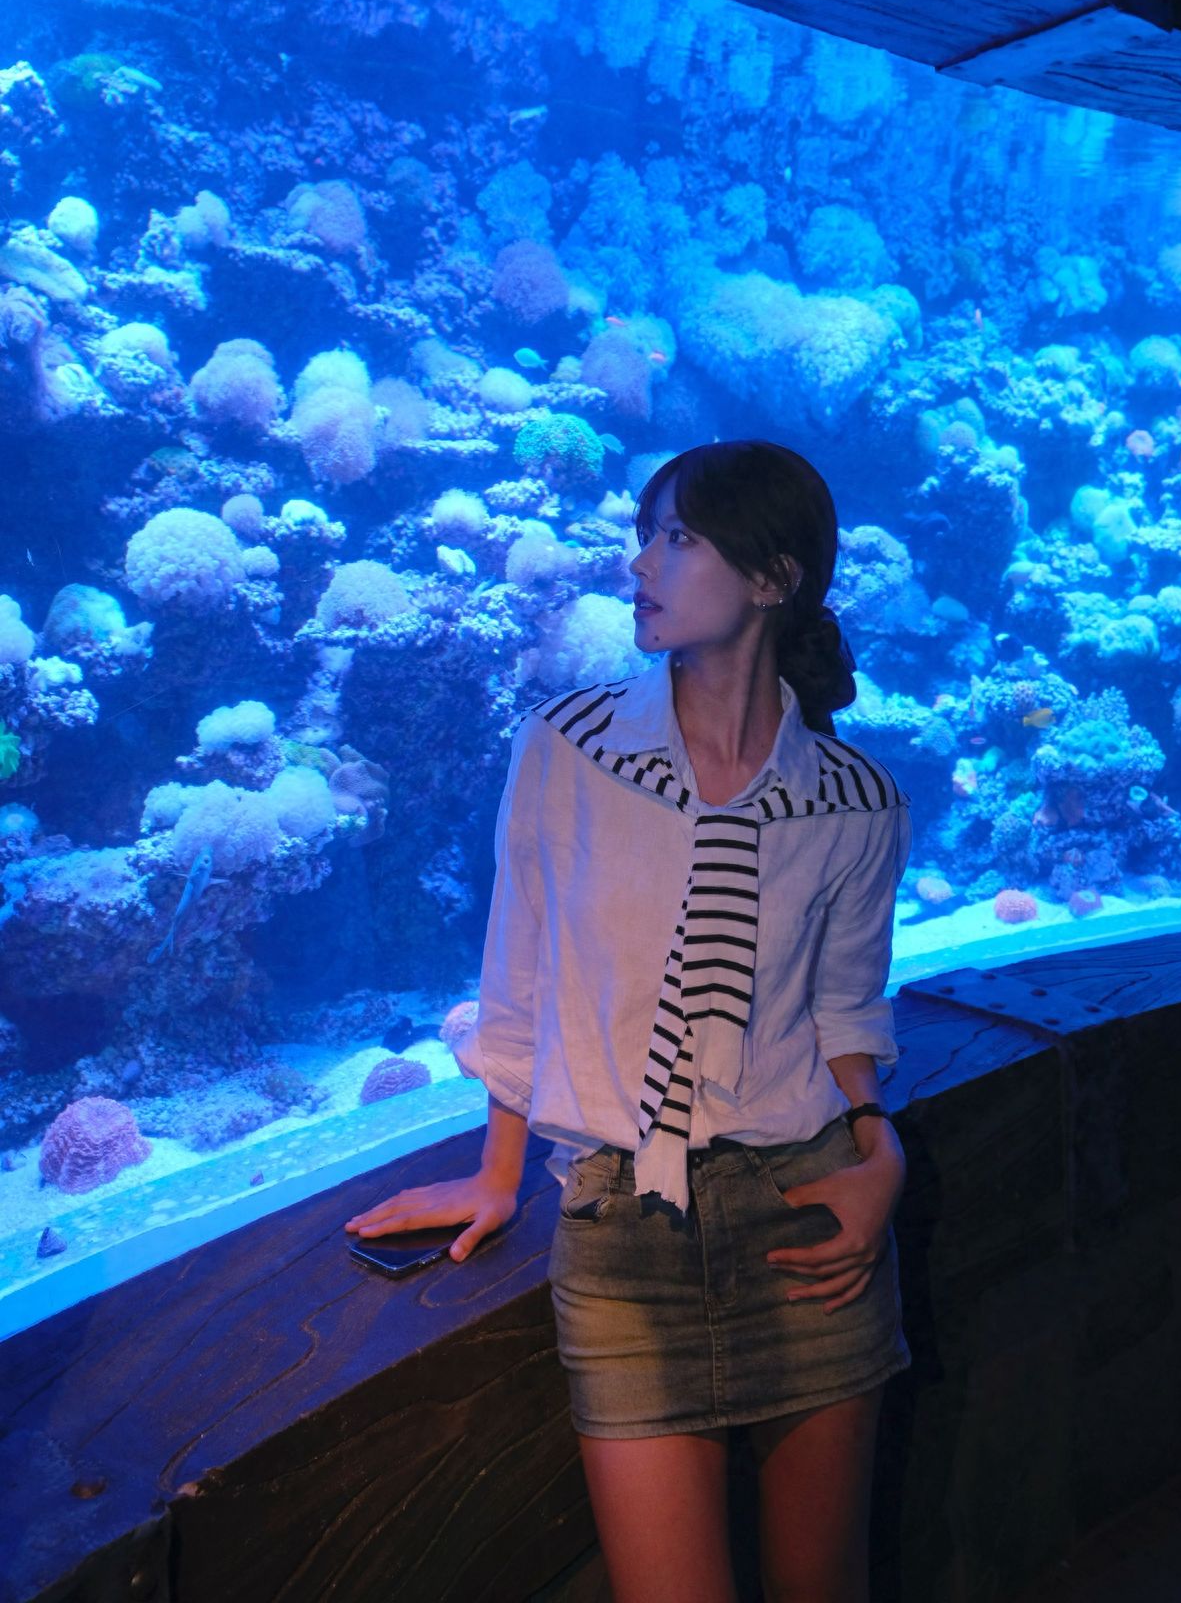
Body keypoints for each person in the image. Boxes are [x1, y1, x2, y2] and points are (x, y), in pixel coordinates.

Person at [347, 440, 913, 1603]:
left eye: (678, 538)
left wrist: (878, 1146)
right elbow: (518, 982)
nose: (639, 562)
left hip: (807, 1212)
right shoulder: (567, 747)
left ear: (773, 578)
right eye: (645, 532)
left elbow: (844, 1005)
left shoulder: (856, 801)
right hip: (620, 1233)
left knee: (825, 1589)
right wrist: (498, 1175)